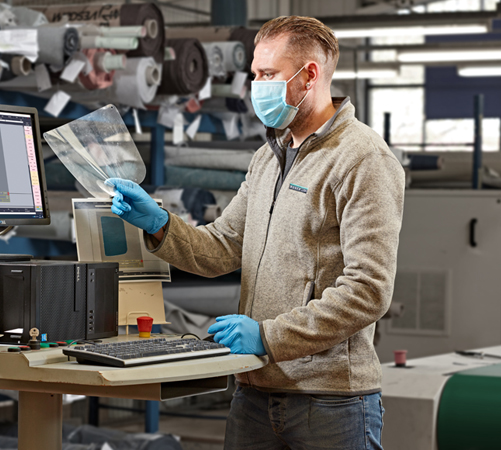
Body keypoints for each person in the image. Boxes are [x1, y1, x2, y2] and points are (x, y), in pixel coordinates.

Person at [106, 15, 405, 450]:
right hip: (253, 393)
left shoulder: (362, 159)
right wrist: (160, 224)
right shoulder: (268, 158)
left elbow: (368, 290)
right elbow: (222, 247)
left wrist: (269, 337)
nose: (256, 86)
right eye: (254, 75)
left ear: (309, 76)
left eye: (268, 75)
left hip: (330, 403)